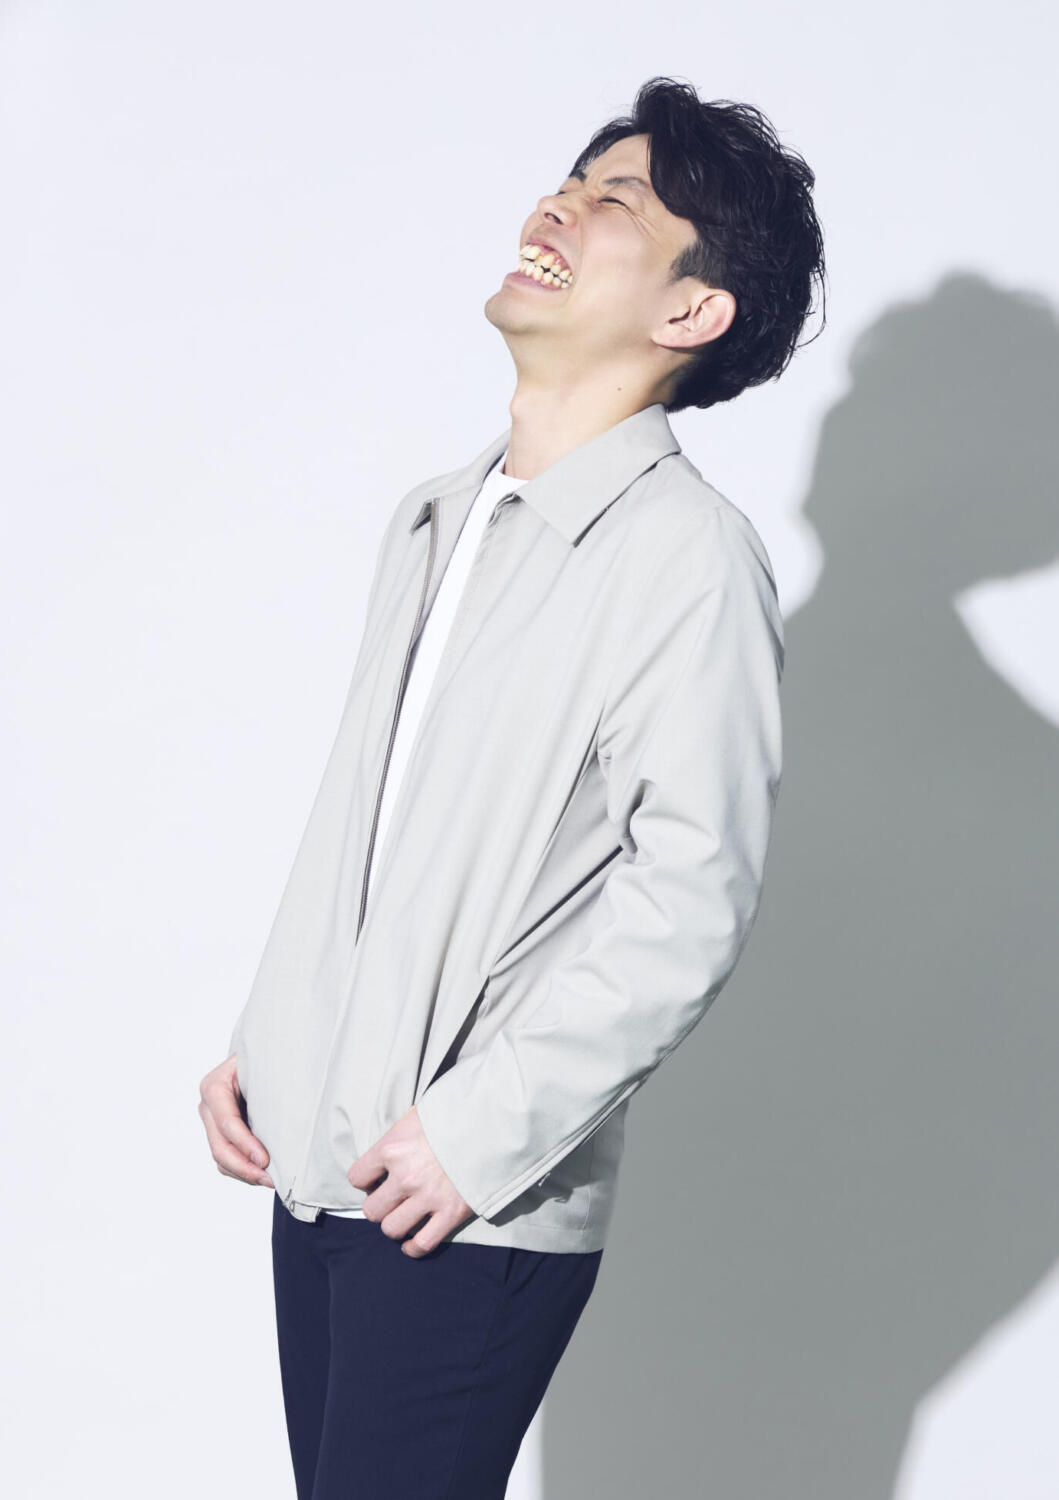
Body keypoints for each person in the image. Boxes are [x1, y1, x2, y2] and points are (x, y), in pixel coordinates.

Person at [198, 75, 826, 1499]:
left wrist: (479, 1135)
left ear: (693, 310)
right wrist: (274, 1041)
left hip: (466, 1199)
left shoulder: (685, 557)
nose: (558, 206)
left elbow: (693, 895)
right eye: (570, 180)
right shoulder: (438, 517)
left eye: (617, 202)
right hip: (327, 1165)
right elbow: (382, 826)